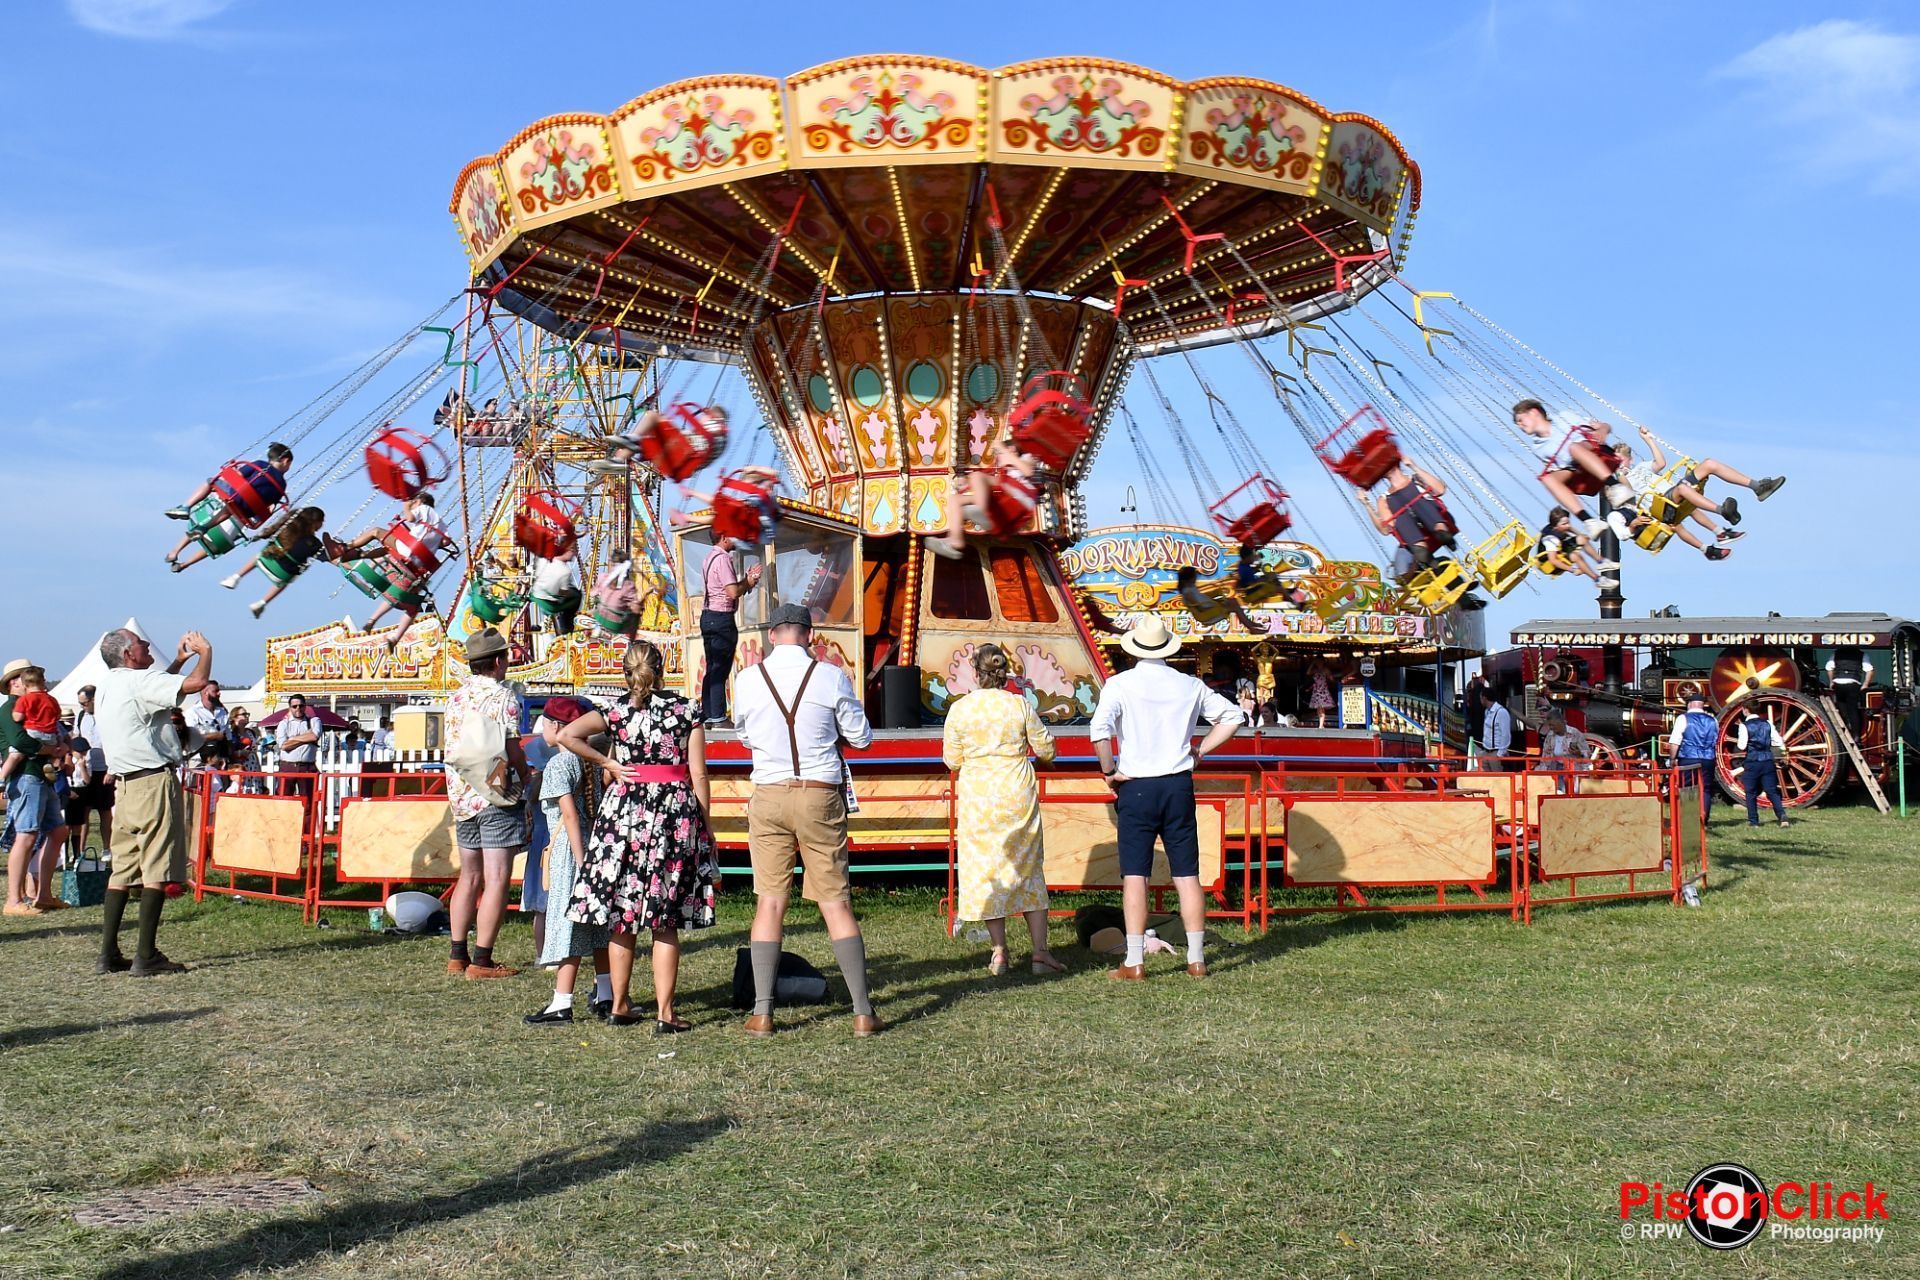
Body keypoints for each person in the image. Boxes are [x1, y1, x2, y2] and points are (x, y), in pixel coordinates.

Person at [731, 602, 880, 1036]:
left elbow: (743, 735)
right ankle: (862, 1011)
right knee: (836, 902)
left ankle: (762, 1013)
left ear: (772, 636)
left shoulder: (748, 678)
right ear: (810, 635)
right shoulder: (831, 675)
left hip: (770, 794)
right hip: (819, 795)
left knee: (770, 902)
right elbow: (862, 737)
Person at [558, 641, 718, 1032]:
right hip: (673, 816)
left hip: (624, 814)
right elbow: (698, 774)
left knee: (621, 916)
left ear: (626, 673)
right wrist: (706, 825)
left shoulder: (614, 712)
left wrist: (607, 761)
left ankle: (621, 1004)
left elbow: (567, 737)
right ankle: (665, 1013)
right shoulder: (686, 710)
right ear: (661, 669)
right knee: (665, 921)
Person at [1090, 618, 1244, 980]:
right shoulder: (1189, 684)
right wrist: (1199, 752)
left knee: (1135, 876)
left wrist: (1109, 770)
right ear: (1167, 648)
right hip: (1177, 783)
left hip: (1136, 785)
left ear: (1134, 648)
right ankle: (1196, 958)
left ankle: (1134, 960)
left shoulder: (1119, 684)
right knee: (1187, 874)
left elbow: (1100, 731)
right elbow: (1233, 716)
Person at [94, 628, 212, 974]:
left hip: (125, 787)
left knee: (122, 869)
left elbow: (156, 692)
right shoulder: (136, 683)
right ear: (130, 654)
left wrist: (177, 661)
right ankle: (146, 955)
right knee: (156, 866)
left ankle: (108, 953)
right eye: (142, 644)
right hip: (152, 781)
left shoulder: (110, 684)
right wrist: (205, 652)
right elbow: (194, 685)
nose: (148, 646)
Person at [942, 643, 1064, 977]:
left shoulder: (961, 709)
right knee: (1027, 868)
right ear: (1003, 672)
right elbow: (1045, 747)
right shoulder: (1019, 705)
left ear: (975, 671)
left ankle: (999, 952)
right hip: (1016, 788)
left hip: (978, 792)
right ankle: (1040, 953)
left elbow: (952, 760)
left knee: (986, 869)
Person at [522, 696, 614, 1025]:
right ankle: (606, 993)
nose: (542, 730)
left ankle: (561, 1002)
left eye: (545, 723)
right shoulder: (591, 762)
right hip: (595, 846)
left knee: (568, 927)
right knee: (599, 926)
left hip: (569, 851)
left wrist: (580, 860)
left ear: (559, 728)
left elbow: (570, 817)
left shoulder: (560, 765)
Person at [443, 628, 527, 980]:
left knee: (470, 876)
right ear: (497, 661)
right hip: (493, 794)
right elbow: (510, 748)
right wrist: (527, 776)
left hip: (461, 795)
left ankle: (457, 954)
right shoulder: (504, 698)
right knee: (496, 879)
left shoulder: (456, 697)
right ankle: (482, 960)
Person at [1, 659, 71, 915]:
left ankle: (43, 895)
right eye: (22, 677)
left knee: (58, 832)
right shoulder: (9, 708)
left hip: (40, 776)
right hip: (26, 777)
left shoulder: (30, 705)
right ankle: (13, 901)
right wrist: (54, 749)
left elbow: (52, 728)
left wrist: (60, 745)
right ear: (13, 682)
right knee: (26, 834)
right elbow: (21, 742)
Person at [1510, 400, 1627, 539]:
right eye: (1518, 423)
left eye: (1521, 420)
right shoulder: (1538, 447)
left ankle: (1616, 486)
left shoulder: (1564, 417)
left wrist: (1602, 430)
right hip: (1576, 470)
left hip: (1594, 451)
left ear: (1534, 412)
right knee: (1547, 478)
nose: (1520, 425)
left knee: (1573, 448)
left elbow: (1603, 425)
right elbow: (1556, 468)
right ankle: (1589, 521)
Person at [164, 444, 294, 566]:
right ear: (285, 461)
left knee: (210, 482)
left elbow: (236, 477)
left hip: (235, 497)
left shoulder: (259, 465)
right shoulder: (282, 485)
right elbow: (270, 505)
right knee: (228, 511)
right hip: (247, 511)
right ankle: (204, 528)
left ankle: (185, 507)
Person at [931, 438, 1042, 557]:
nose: (998, 457)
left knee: (977, 476)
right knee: (955, 500)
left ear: (1012, 449)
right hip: (1003, 501)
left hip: (1019, 501)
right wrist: (966, 482)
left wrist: (1005, 451)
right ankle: (954, 539)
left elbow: (1028, 471)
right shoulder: (1004, 472)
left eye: (999, 453)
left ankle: (982, 509)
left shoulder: (1024, 459)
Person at [215, 506, 331, 617]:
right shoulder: (314, 543)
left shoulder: (288, 526)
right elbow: (327, 556)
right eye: (322, 521)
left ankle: (235, 577)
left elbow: (271, 531)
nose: (322, 524)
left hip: (265, 562)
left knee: (259, 555)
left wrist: (260, 536)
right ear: (315, 522)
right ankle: (262, 603)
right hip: (281, 576)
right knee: (288, 580)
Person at [698, 534, 763, 726]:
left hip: (708, 616)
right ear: (724, 536)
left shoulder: (709, 557)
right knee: (720, 668)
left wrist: (745, 582)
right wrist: (749, 582)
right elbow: (732, 591)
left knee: (712, 667)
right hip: (721, 618)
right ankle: (718, 716)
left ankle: (708, 714)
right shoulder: (723, 558)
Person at [66, 684, 115, 863]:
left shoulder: (108, 716)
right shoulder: (81, 716)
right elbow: (76, 739)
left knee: (104, 811)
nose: (82, 707)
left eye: (85, 703)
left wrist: (112, 769)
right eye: (80, 703)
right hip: (85, 769)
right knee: (83, 812)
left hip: (104, 769)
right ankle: (80, 851)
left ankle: (107, 848)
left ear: (94, 700)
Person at [675, 465, 782, 546]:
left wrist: (753, 469)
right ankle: (689, 504)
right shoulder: (763, 494)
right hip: (750, 518)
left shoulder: (767, 493)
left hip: (751, 520)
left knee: (719, 510)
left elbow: (774, 474)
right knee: (719, 509)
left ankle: (690, 503)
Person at [1733, 696, 1791, 829]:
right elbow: (1778, 742)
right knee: (1772, 791)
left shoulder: (1744, 726)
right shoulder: (1768, 724)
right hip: (1767, 760)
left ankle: (1754, 822)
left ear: (1745, 710)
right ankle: (1782, 816)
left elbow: (1741, 746)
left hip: (1753, 761)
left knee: (1751, 792)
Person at [1668, 693, 1721, 822]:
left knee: (1687, 787)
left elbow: (1675, 742)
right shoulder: (1713, 720)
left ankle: (1688, 819)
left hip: (1688, 757)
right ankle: (1704, 819)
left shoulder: (1683, 718)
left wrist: (1672, 758)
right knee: (1706, 789)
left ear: (1689, 704)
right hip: (1708, 758)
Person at [1535, 508, 1619, 588]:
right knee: (1576, 556)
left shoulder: (1560, 527)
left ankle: (1601, 561)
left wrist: (1581, 535)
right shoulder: (1550, 539)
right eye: (1564, 524)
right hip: (1549, 563)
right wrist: (1572, 570)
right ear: (1555, 526)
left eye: (1568, 522)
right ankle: (1597, 579)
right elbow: (1553, 560)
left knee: (1582, 539)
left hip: (1560, 548)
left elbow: (1570, 529)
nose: (1568, 526)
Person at [275, 695, 322, 811]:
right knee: (284, 801)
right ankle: (285, 828)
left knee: (308, 804)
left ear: (305, 706)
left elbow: (314, 736)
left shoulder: (314, 721)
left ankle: (307, 829)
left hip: (307, 766)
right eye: (294, 706)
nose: (298, 709)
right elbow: (283, 746)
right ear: (290, 708)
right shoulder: (284, 724)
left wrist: (292, 739)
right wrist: (305, 738)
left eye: (301, 706)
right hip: (287, 766)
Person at [530, 548, 583, 637]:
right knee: (577, 595)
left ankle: (563, 624)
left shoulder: (545, 560)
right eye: (572, 551)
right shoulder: (565, 571)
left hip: (536, 595)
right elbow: (563, 593)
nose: (574, 554)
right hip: (550, 605)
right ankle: (566, 628)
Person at [1535, 710, 1590, 792]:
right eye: (1549, 725)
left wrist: (1579, 753)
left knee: (1570, 791)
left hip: (1572, 769)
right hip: (1555, 768)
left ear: (1562, 722)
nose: (1551, 728)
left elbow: (1587, 753)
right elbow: (1545, 756)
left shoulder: (1575, 733)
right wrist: (1542, 774)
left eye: (1553, 725)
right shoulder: (1550, 735)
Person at [1825, 646, 1872, 737]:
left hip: (1838, 683)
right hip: (1853, 683)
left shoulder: (1836, 654)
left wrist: (1831, 681)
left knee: (1841, 708)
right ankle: (1856, 735)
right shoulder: (1862, 655)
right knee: (1852, 709)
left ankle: (1845, 729)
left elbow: (1829, 668)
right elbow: (1869, 670)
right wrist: (1865, 684)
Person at [1480, 686, 1515, 771]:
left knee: (1498, 780)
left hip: (1495, 752)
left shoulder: (1501, 712)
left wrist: (1500, 753)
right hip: (1486, 751)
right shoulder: (1487, 711)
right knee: (1487, 779)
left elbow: (1505, 734)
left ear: (1484, 698)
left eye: (1481, 698)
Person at [1305, 658, 1336, 728]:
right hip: (1316, 690)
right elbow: (1308, 673)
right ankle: (1321, 724)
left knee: (1321, 707)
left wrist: (1330, 677)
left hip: (1323, 690)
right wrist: (1312, 663)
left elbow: (1331, 678)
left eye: (1319, 662)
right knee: (1319, 708)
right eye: (1317, 662)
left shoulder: (1326, 669)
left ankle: (1321, 725)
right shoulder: (1315, 670)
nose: (1318, 663)